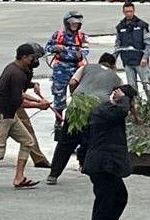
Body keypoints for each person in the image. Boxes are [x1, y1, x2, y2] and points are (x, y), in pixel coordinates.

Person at [0, 44, 51, 192]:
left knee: (28, 142)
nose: (35, 61)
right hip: (0, 117)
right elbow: (18, 100)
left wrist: (34, 87)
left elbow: (18, 91)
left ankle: (19, 177)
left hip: (10, 115)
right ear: (24, 57)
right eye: (33, 58)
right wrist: (38, 105)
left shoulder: (15, 69)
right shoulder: (16, 73)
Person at [47, 52, 122, 186]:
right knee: (90, 140)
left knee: (66, 142)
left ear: (100, 61)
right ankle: (86, 167)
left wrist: (74, 96)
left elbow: (72, 82)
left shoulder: (86, 67)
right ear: (113, 65)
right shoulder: (115, 77)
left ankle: (53, 174)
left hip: (77, 106)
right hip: (97, 110)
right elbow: (118, 96)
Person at [84, 84, 138, 220]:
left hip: (108, 165)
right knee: (105, 203)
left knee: (119, 198)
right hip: (101, 165)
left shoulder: (110, 109)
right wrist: (123, 97)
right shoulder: (104, 109)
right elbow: (121, 111)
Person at [46, 10, 90, 113]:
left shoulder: (82, 36)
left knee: (78, 96)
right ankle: (58, 122)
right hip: (60, 69)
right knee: (59, 97)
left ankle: (76, 121)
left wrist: (79, 54)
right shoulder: (58, 34)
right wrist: (55, 47)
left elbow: (86, 49)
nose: (75, 25)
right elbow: (47, 48)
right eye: (73, 23)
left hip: (76, 69)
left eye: (77, 23)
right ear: (67, 23)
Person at [113, 2, 150, 99]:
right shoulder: (120, 27)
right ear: (123, 12)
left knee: (146, 84)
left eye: (130, 11)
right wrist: (113, 60)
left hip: (140, 61)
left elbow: (149, 44)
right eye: (126, 12)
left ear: (134, 11)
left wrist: (145, 57)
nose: (129, 14)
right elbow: (118, 45)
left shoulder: (142, 25)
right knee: (132, 86)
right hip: (127, 61)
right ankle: (137, 106)